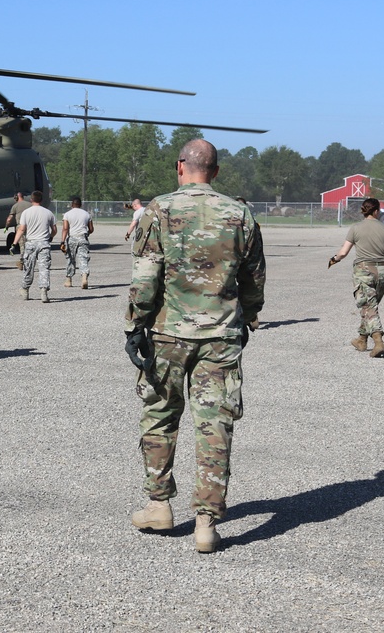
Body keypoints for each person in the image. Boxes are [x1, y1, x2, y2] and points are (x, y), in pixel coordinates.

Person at [125, 139, 266, 553]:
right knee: (214, 426)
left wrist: (135, 325)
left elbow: (146, 274)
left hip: (169, 333)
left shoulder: (160, 209)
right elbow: (254, 276)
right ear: (216, 171)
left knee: (160, 416)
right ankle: (206, 523)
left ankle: (159, 505)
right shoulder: (240, 213)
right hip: (220, 336)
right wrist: (248, 319)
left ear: (179, 166)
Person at [328, 197, 384, 357]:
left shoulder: (356, 228)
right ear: (377, 211)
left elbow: (343, 252)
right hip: (383, 272)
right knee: (370, 307)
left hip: (364, 272)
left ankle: (378, 341)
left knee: (368, 307)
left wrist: (334, 259)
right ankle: (361, 339)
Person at [13, 190, 58, 303]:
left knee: (29, 268)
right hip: (44, 243)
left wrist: (14, 243)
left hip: (31, 243)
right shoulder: (48, 213)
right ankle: (43, 290)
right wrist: (50, 237)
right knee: (44, 268)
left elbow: (22, 229)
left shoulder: (26, 213)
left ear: (31, 200)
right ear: (41, 200)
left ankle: (25, 289)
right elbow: (54, 230)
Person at [60, 196, 94, 289]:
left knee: (70, 258)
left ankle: (69, 279)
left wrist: (62, 241)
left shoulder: (67, 214)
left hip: (72, 238)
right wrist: (87, 233)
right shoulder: (87, 214)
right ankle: (84, 277)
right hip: (83, 237)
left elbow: (65, 228)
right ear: (80, 205)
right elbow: (91, 229)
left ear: (72, 204)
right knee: (83, 258)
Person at [5, 191, 33, 269]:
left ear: (16, 197)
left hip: (20, 226)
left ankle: (22, 261)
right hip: (30, 226)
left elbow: (9, 219)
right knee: (31, 243)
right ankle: (31, 259)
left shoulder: (15, 206)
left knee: (22, 244)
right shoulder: (30, 205)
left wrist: (6, 226)